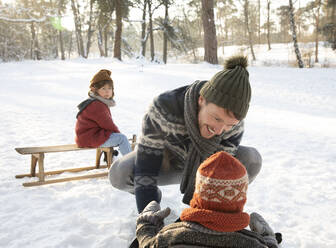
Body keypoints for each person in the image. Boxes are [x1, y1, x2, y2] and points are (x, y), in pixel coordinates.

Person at [109, 55, 262, 212]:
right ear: (201, 100)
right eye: (216, 118)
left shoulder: (233, 124)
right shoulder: (164, 107)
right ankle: (154, 195)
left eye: (229, 125)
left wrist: (204, 221)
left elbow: (219, 174)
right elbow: (145, 166)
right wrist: (149, 215)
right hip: (167, 161)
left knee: (252, 159)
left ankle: (217, 208)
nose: (219, 130)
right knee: (120, 172)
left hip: (205, 169)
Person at [134, 151, 280, 248]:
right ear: (240, 198)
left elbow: (147, 244)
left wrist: (146, 224)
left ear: (198, 193)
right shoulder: (253, 243)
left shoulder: (171, 237)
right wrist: (269, 239)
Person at [75, 69, 131, 156]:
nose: (107, 91)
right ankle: (132, 165)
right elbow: (108, 125)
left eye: (110, 88)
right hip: (89, 138)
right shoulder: (97, 105)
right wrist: (118, 134)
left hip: (88, 136)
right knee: (122, 139)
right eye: (103, 88)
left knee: (116, 136)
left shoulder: (97, 102)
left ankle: (113, 159)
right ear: (96, 90)